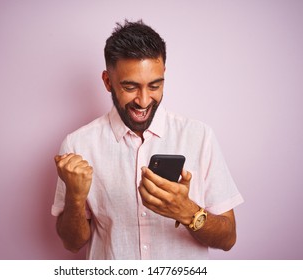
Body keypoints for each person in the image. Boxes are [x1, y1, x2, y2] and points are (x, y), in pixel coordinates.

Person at [51, 20, 244, 260]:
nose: (143, 101)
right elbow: (71, 243)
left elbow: (228, 238)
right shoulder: (78, 145)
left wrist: (187, 212)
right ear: (108, 82)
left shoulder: (200, 136)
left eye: (154, 86)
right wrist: (75, 197)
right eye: (130, 87)